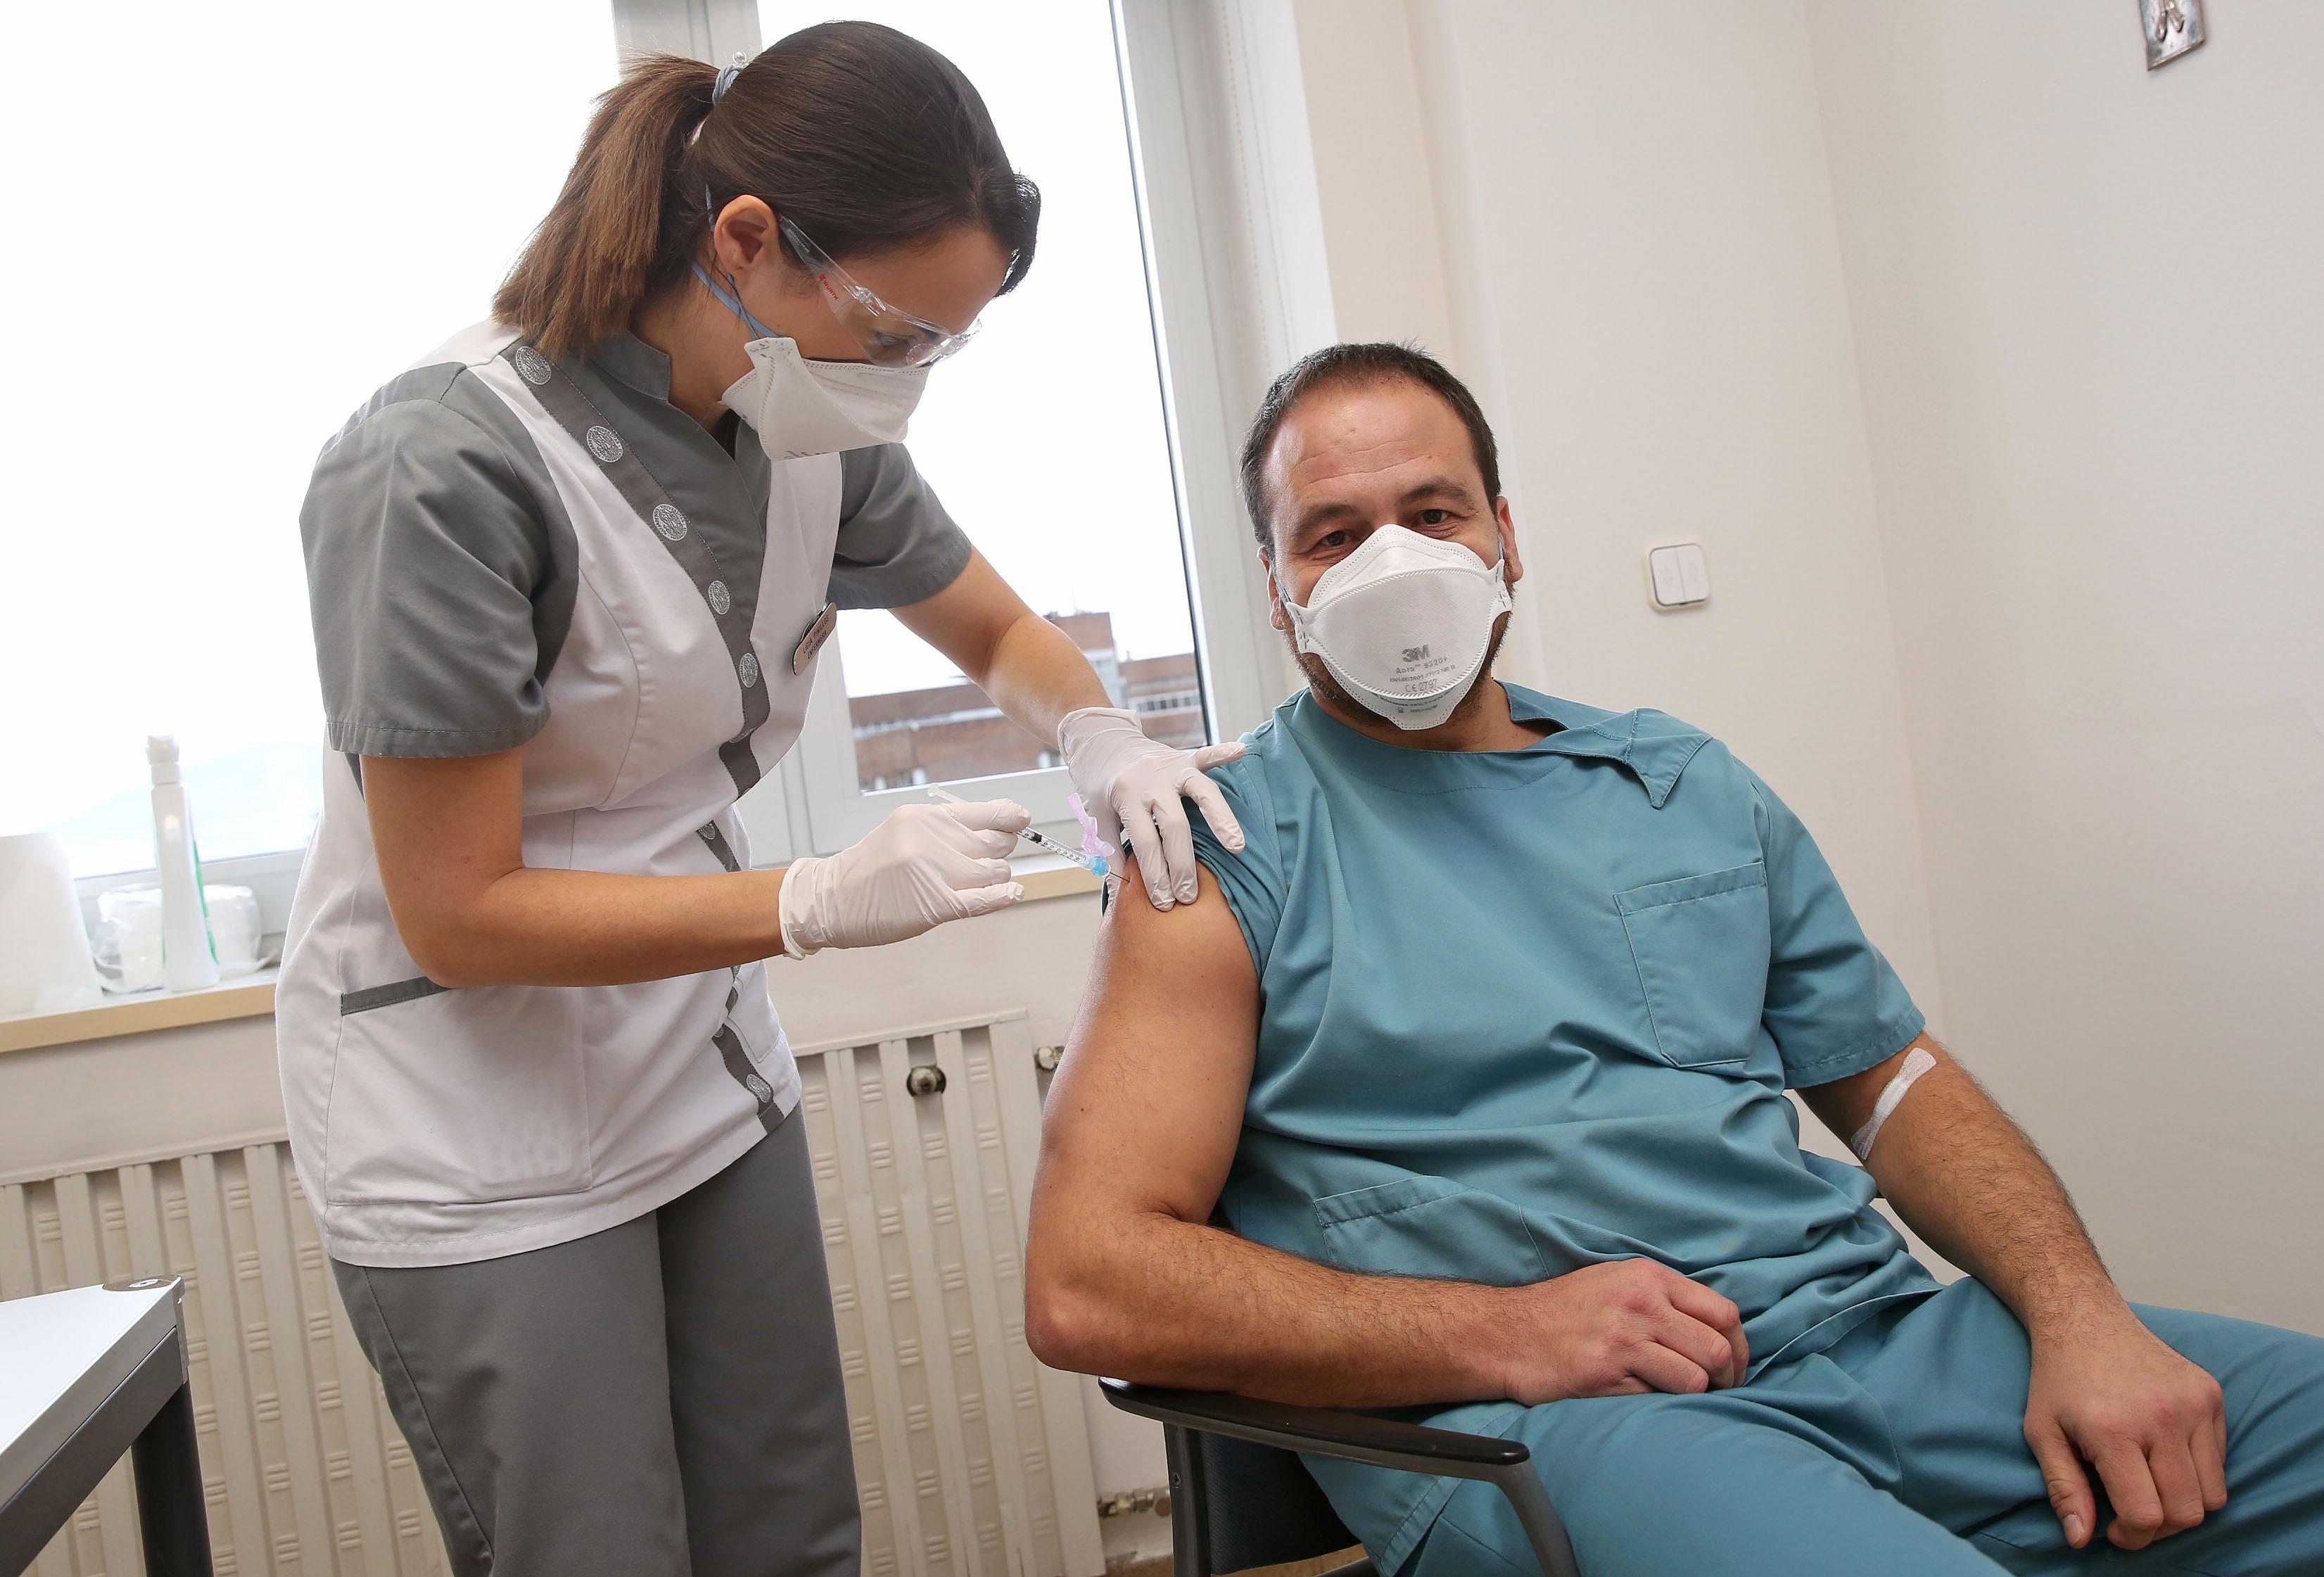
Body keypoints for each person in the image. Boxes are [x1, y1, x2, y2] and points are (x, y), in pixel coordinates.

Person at [1023, 341, 2324, 1576]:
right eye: (1335, 534)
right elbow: (1089, 1280)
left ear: (1506, 537)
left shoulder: (1682, 785)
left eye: (1435, 511)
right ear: (1277, 585)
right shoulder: (1221, 852)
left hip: (1882, 1338)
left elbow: (1892, 1084)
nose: (1396, 562)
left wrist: (2080, 1312)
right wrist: (1513, 1330)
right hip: (1562, 1420)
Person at [277, 25, 1243, 1577]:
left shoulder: (802, 418)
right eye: (898, 331)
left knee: (790, 1539)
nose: (909, 377)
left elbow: (994, 631)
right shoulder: (443, 468)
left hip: (699, 1067)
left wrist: (1099, 738)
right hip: (474, 1110)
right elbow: (458, 910)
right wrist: (809, 899)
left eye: (943, 343)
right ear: (747, 243)